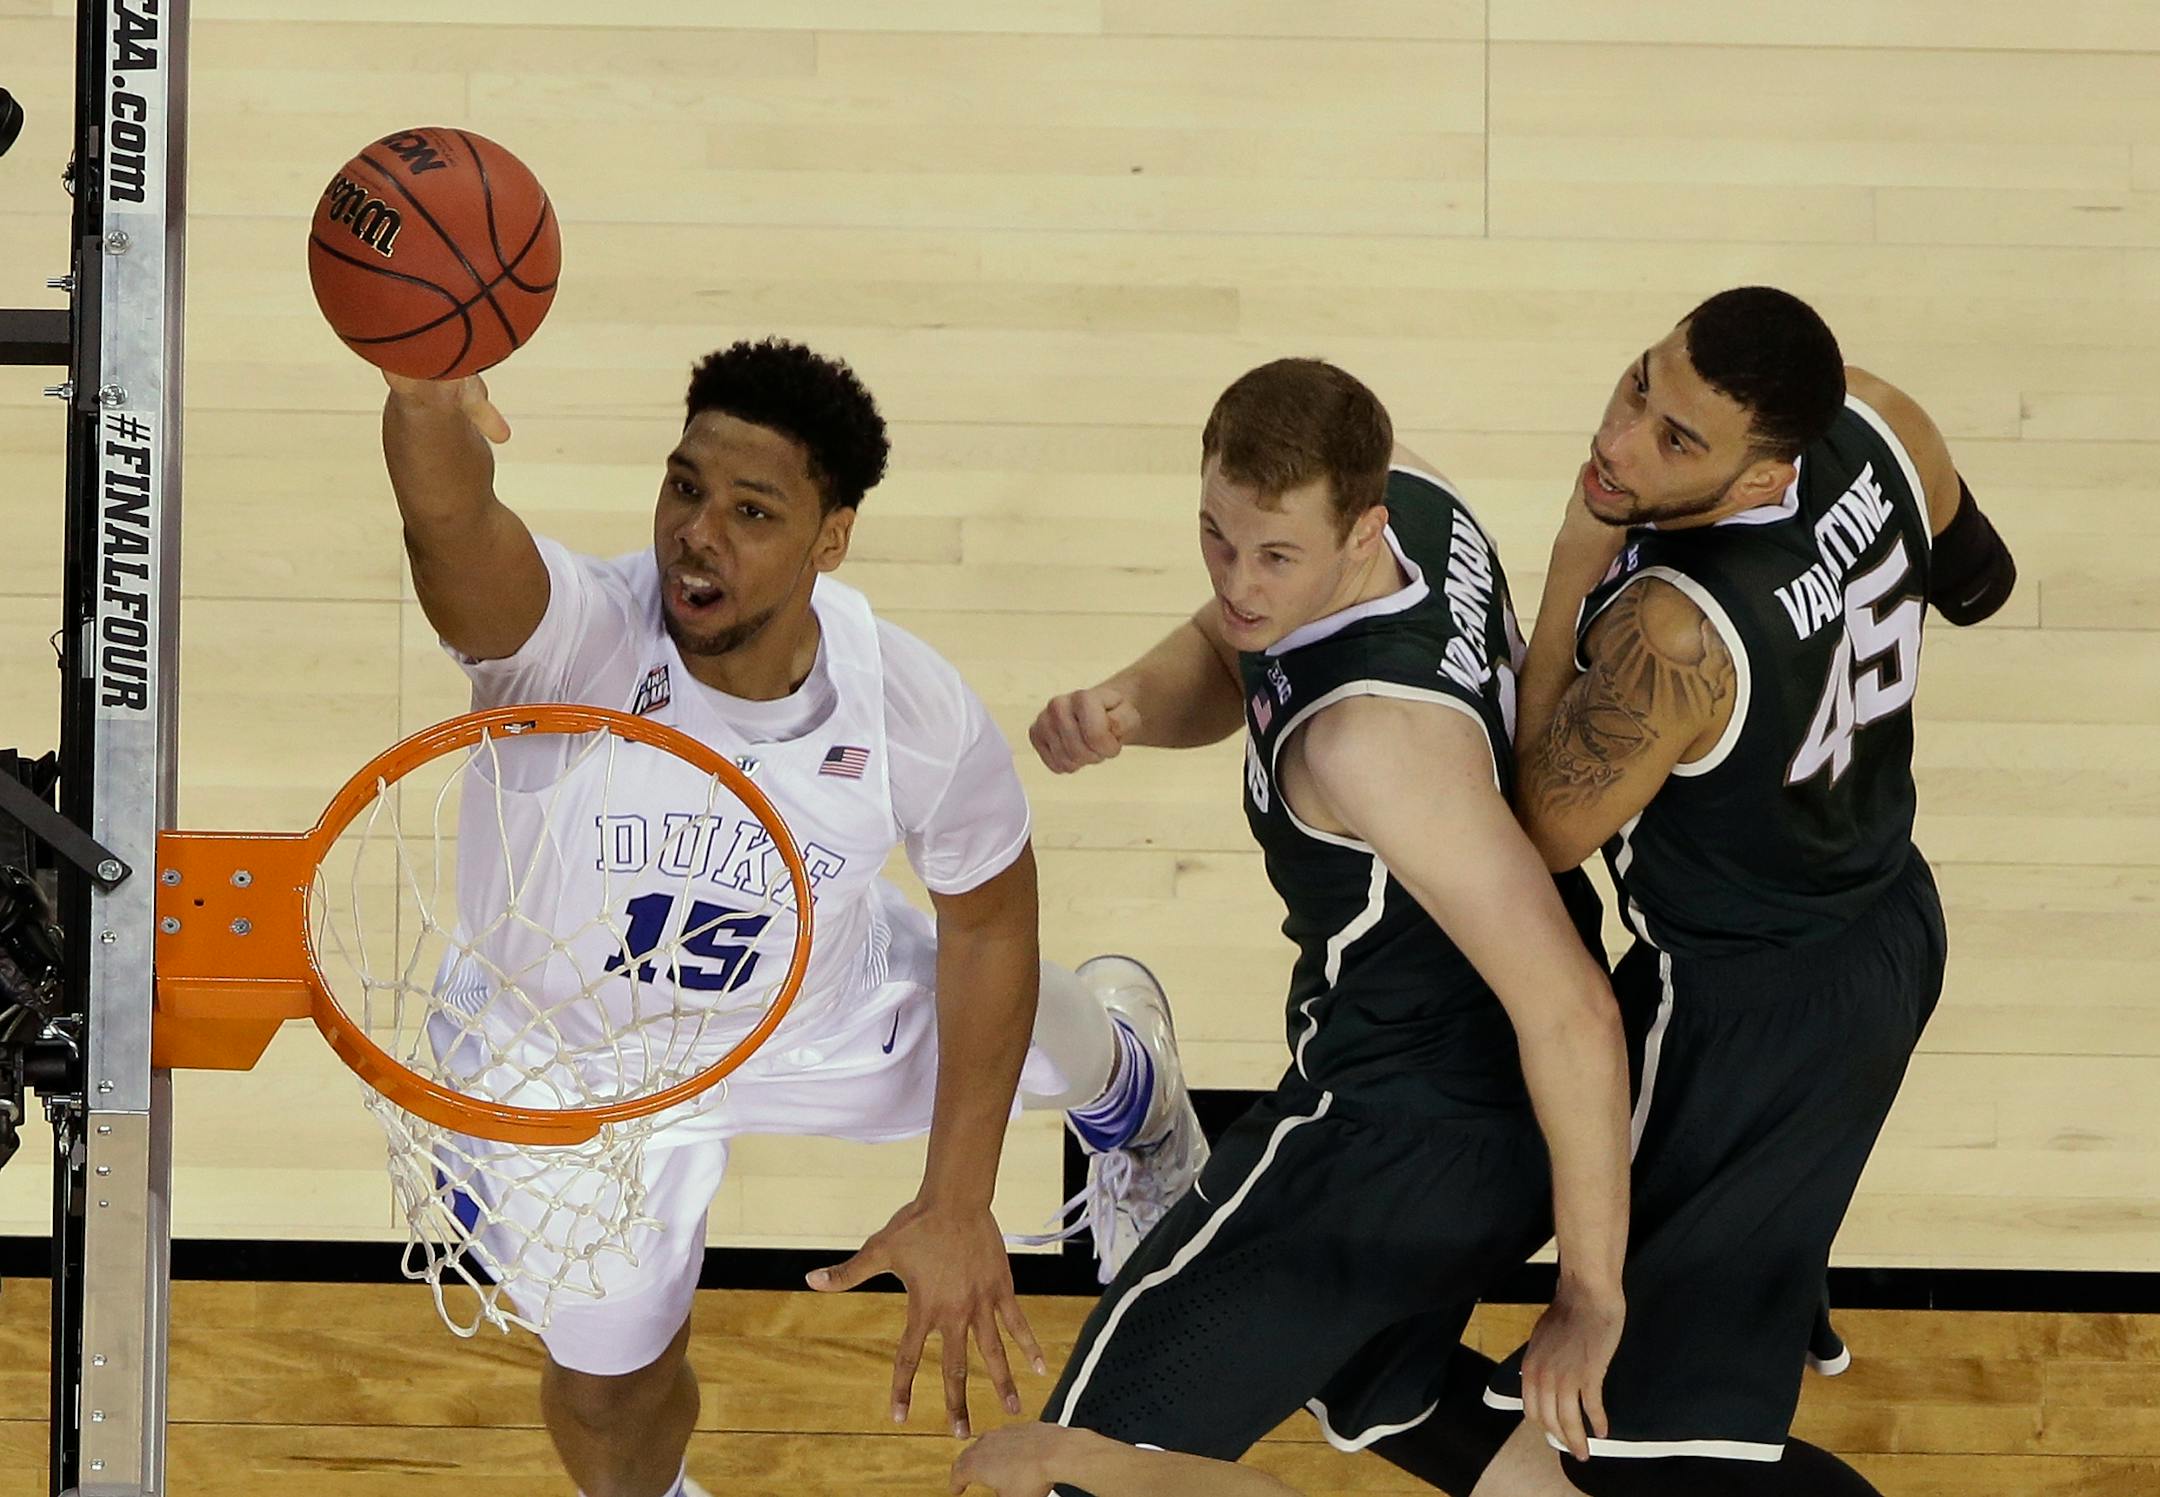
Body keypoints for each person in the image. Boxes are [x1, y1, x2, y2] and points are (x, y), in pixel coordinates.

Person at [380, 337, 1209, 1497]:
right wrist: (421, 399)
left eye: (751, 509)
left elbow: (989, 921)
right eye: (685, 488)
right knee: (610, 1391)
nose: (696, 533)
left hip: (820, 1017)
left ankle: (1139, 1097)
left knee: (1045, 1023)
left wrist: (957, 1200)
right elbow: (453, 533)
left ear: (832, 537)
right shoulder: (573, 639)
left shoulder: (905, 704)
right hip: (573, 1072)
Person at [1027, 359, 1632, 1490]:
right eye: (1215, 536)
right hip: (1468, 1087)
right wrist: (1126, 707)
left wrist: (1591, 1293)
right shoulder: (1421, 500)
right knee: (1372, 1378)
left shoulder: (1372, 746)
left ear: (1359, 530)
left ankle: (1157, 1131)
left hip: (1396, 1128)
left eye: (1273, 556)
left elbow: (1572, 1015)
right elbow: (1226, 647)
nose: (1238, 581)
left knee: (1086, 1464)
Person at [1469, 286, 2016, 1497]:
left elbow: (1539, 835)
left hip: (1740, 1017)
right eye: (1638, 387)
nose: (1618, 444)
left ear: (1765, 479)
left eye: (1675, 442)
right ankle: (1777, 1281)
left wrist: (1573, 558)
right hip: (1894, 922)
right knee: (1764, 1203)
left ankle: (1735, 1324)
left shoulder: (1670, 635)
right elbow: (1982, 582)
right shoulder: (1880, 421)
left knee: (1625, 1436)